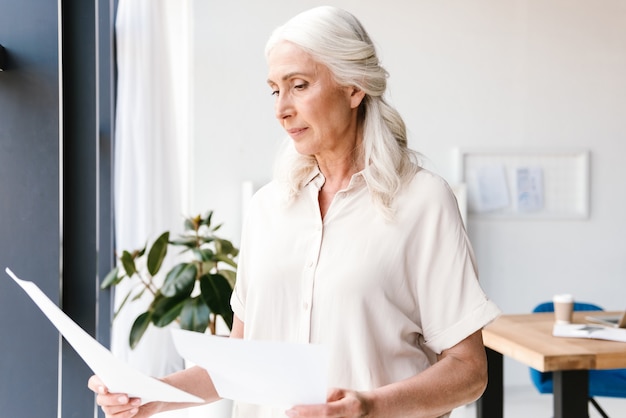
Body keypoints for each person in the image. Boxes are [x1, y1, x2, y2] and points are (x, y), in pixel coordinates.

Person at [89, 5, 501, 418]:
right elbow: (241, 360)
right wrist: (147, 393)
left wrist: (369, 407)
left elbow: (469, 371)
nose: (281, 108)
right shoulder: (267, 209)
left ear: (354, 88)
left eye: (299, 85)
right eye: (274, 89)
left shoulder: (423, 202)